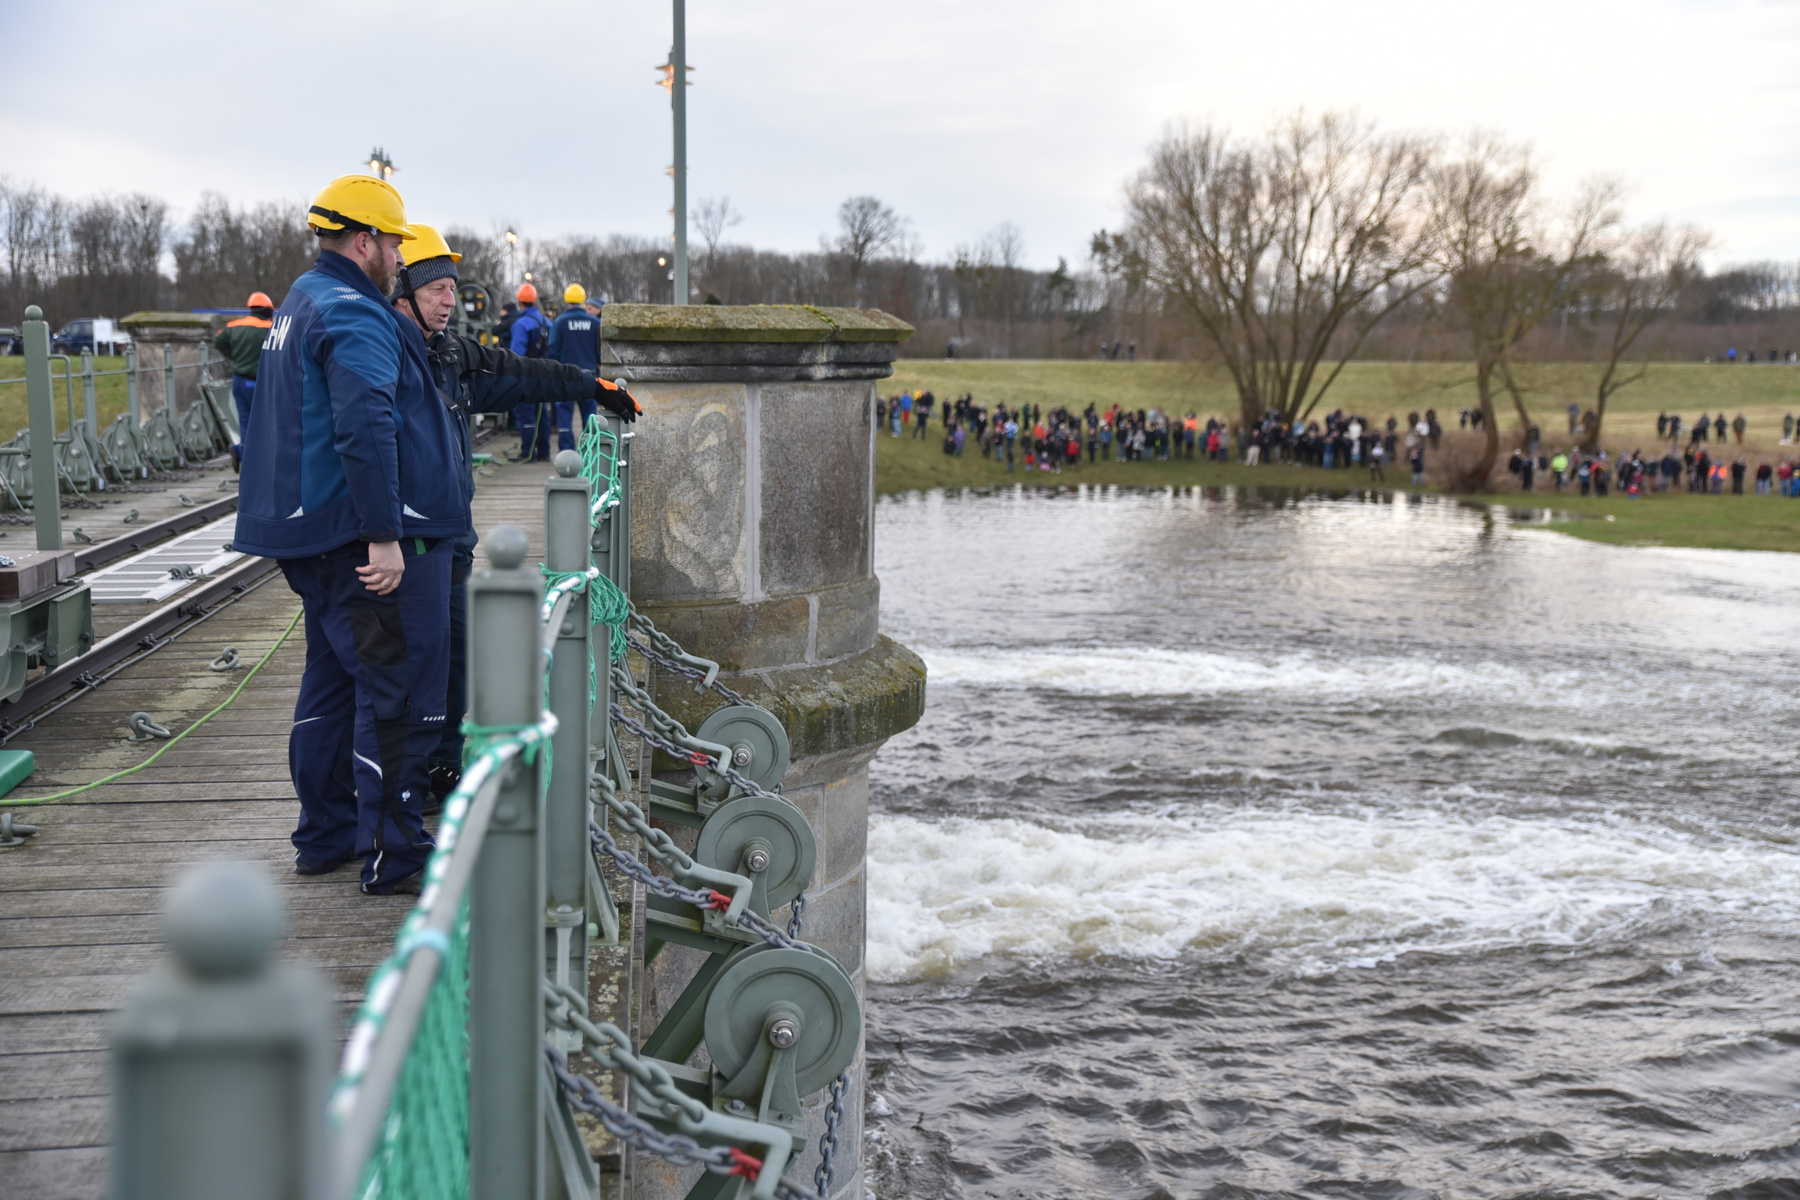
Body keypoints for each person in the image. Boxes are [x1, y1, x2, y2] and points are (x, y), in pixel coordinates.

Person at [234, 174, 462, 895]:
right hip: (352, 539)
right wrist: (385, 534)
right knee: (394, 695)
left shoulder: (303, 298)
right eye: (393, 243)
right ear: (364, 240)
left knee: (331, 687)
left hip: (305, 532)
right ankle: (395, 855)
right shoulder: (356, 313)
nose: (398, 256)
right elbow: (366, 424)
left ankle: (325, 834)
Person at [391, 226, 639, 796]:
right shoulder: (390, 350)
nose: (450, 301)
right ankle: (402, 789)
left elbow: (520, 373)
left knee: (454, 655)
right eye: (436, 290)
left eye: (453, 288)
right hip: (407, 539)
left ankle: (441, 767)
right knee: (412, 668)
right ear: (402, 292)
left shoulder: (450, 353)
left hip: (451, 535)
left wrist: (591, 385)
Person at [212, 291, 275, 468]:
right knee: (267, 420)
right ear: (267, 310)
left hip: (240, 381)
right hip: (262, 382)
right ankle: (265, 460)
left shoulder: (234, 326)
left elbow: (218, 342)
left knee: (245, 421)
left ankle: (244, 455)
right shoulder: (270, 328)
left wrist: (235, 358)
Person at [547, 284, 601, 452]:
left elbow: (553, 350)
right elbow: (600, 351)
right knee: (590, 416)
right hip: (590, 377)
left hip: (566, 377)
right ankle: (590, 450)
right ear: (583, 301)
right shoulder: (594, 322)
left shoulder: (560, 322)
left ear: (566, 300)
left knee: (564, 414)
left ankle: (567, 451)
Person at [508, 283, 552, 461]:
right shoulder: (547, 322)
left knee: (526, 412)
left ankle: (527, 453)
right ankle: (544, 452)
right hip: (545, 373)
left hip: (526, 375)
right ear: (534, 302)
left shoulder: (521, 324)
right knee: (542, 413)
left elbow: (516, 354)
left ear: (519, 302)